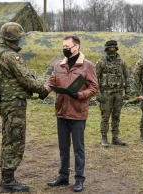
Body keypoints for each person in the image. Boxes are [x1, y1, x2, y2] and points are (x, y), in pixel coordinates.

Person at [0, 22, 49, 193]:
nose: (21, 40)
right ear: (13, 38)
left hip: (5, 103)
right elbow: (25, 79)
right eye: (19, 37)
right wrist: (43, 90)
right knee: (15, 140)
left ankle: (7, 178)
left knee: (8, 137)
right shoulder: (10, 56)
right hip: (14, 104)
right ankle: (7, 181)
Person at [45, 36, 98, 192]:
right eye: (63, 46)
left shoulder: (87, 66)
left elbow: (94, 87)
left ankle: (79, 179)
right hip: (61, 111)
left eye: (68, 46)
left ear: (77, 47)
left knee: (78, 148)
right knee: (63, 147)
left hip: (77, 113)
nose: (65, 49)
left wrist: (80, 95)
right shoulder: (59, 65)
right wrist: (44, 90)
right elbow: (52, 81)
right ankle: (63, 176)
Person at [95, 40, 130, 147]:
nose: (112, 49)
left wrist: (127, 92)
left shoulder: (122, 62)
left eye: (114, 47)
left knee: (116, 116)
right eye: (110, 48)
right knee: (105, 116)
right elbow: (95, 78)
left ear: (117, 48)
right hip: (106, 93)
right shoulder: (101, 62)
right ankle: (104, 138)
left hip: (118, 93)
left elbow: (127, 77)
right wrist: (97, 93)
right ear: (106, 49)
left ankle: (115, 138)